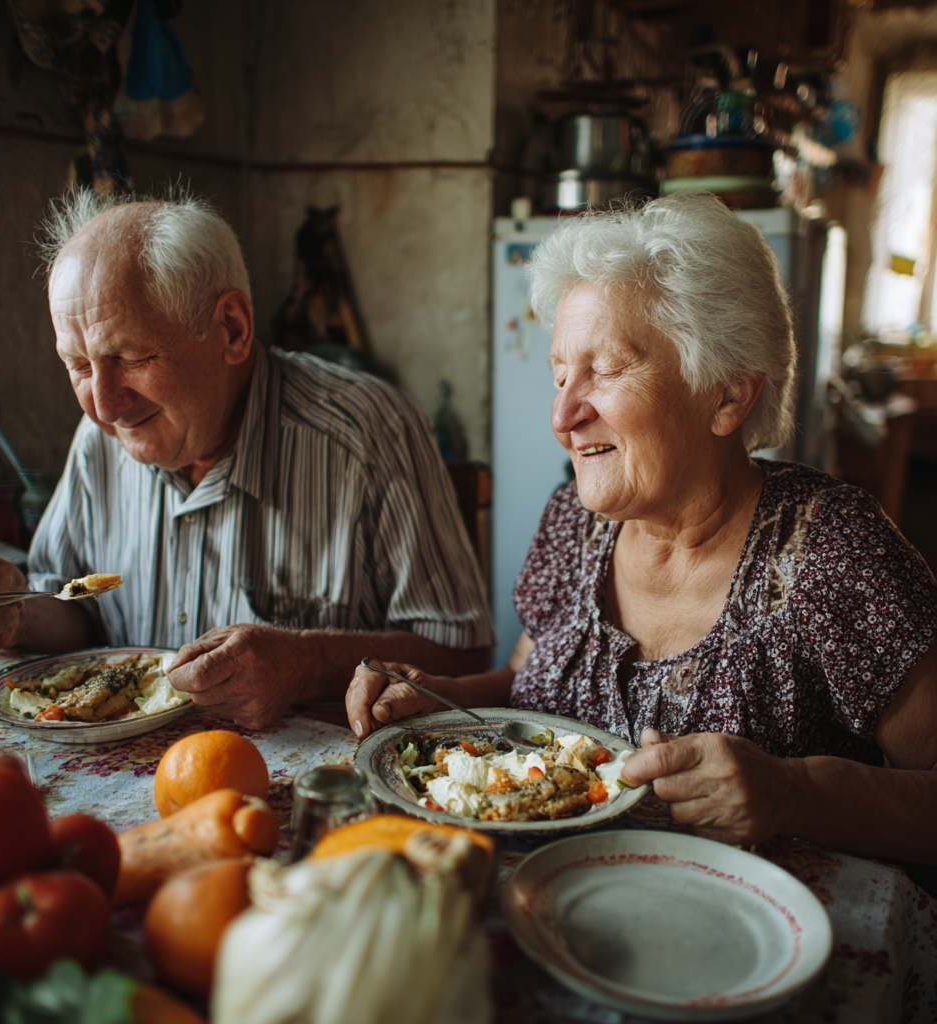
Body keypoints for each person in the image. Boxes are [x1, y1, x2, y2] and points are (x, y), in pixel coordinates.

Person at [346, 193, 937, 866]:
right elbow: (527, 684)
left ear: (728, 394)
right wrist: (438, 698)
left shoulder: (834, 552)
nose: (562, 415)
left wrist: (795, 791)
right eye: (561, 374)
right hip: (558, 917)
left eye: (606, 371)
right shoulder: (572, 521)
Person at [0, 190, 494, 728]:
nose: (106, 405)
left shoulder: (371, 432)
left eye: (131, 356)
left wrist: (308, 662)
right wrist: (14, 610)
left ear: (232, 328)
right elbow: (79, 608)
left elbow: (463, 655)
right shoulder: (100, 440)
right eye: (80, 366)